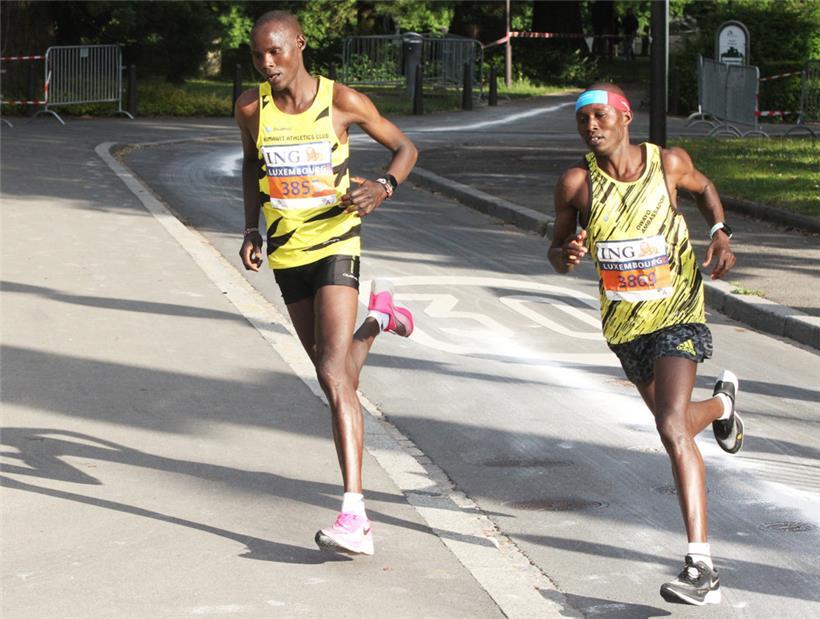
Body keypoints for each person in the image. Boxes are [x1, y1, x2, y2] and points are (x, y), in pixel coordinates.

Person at [549, 84, 744, 606]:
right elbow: (554, 247)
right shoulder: (576, 184)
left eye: (600, 116)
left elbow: (705, 192)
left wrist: (720, 232)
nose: (592, 126)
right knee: (674, 421)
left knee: (670, 426)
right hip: (624, 326)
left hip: (678, 311)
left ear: (625, 117)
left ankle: (702, 565)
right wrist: (565, 253)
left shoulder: (669, 164)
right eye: (583, 120)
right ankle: (724, 406)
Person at [235, 10, 418, 556]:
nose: (268, 64)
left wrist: (383, 187)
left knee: (335, 375)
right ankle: (381, 319)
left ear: (299, 44)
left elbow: (405, 149)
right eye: (258, 56)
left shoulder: (342, 102)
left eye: (276, 52)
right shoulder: (250, 108)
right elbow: (250, 164)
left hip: (338, 242)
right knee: (329, 370)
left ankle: (355, 514)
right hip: (288, 250)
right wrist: (251, 227)